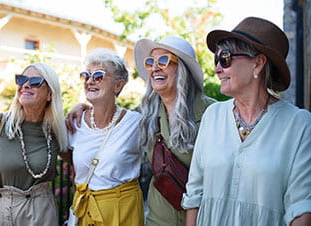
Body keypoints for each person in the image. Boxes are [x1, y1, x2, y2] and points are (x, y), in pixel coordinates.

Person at [66, 36, 215, 226]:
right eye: (150, 62)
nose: (155, 68)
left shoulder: (213, 114)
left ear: (182, 68)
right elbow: (111, 116)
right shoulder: (143, 115)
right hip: (159, 219)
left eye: (163, 61)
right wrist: (83, 107)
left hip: (203, 218)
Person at [182, 17, 311, 226]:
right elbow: (195, 193)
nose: (217, 68)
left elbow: (301, 207)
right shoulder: (212, 115)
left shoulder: (299, 125)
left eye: (225, 58)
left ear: (258, 63)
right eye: (216, 59)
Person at [0, 63, 67, 225]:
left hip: (41, 212)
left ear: (50, 94)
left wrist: (82, 109)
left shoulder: (57, 129)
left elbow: (78, 161)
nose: (25, 85)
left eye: (35, 81)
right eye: (21, 80)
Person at [65, 48, 144, 226]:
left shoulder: (135, 123)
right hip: (85, 212)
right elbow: (72, 164)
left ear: (118, 85)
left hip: (123, 212)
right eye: (87, 75)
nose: (90, 81)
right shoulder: (75, 123)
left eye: (99, 75)